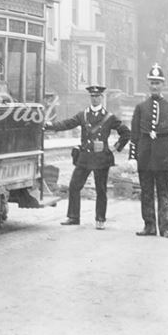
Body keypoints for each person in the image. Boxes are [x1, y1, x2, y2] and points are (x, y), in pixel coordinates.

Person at [45, 85, 130, 230]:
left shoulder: (109, 117)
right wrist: (49, 125)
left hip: (101, 159)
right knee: (74, 186)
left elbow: (126, 132)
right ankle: (73, 217)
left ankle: (100, 219)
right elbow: (67, 123)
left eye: (97, 96)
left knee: (101, 190)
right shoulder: (83, 115)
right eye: (92, 96)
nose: (95, 99)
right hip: (84, 157)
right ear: (90, 98)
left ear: (102, 98)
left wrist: (115, 147)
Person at [129, 64, 168, 238]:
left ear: (163, 85)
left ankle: (165, 227)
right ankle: (149, 226)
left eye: (157, 83)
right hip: (144, 156)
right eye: (152, 83)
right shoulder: (140, 107)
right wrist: (132, 156)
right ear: (148, 84)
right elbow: (134, 134)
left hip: (163, 157)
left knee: (163, 192)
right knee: (146, 192)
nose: (154, 86)